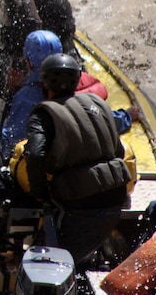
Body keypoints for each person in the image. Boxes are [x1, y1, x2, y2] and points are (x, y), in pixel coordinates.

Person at [23, 53, 131, 265]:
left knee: (41, 264)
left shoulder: (43, 114)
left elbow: (34, 154)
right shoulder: (98, 104)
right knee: (72, 255)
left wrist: (42, 193)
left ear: (44, 82)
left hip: (81, 205)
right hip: (116, 198)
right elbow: (117, 151)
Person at [0, 30, 134, 158]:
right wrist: (127, 115)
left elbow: (12, 142)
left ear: (29, 63)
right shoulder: (79, 89)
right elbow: (103, 121)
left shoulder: (26, 97)